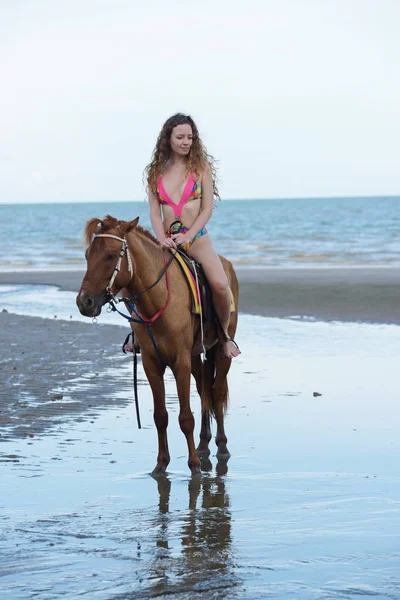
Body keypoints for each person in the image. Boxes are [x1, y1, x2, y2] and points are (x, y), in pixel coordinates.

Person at [144, 113, 240, 359]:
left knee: (220, 285)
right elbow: (155, 213)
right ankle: (138, 335)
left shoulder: (200, 169)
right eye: (180, 137)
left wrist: (189, 236)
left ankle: (224, 336)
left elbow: (206, 209)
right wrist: (160, 238)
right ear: (168, 139)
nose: (186, 142)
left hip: (196, 239)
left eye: (190, 137)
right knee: (140, 280)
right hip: (167, 242)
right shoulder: (156, 173)